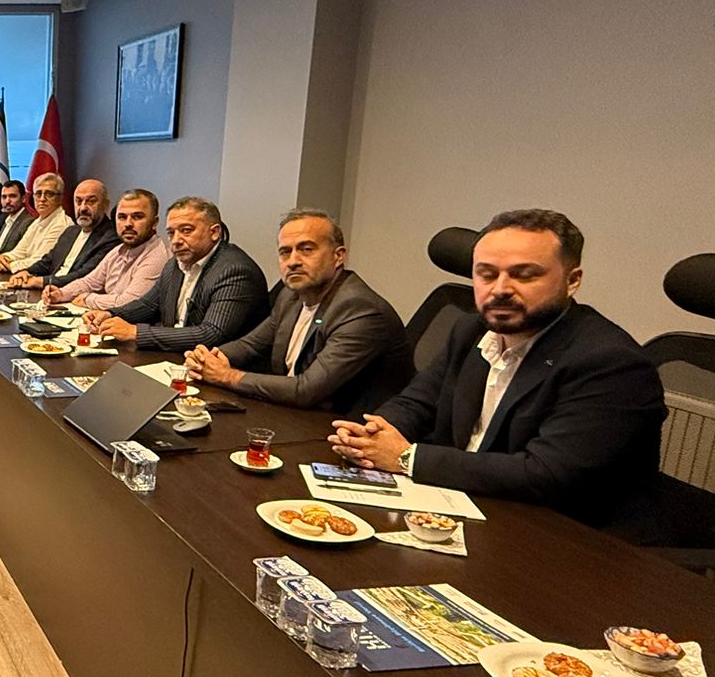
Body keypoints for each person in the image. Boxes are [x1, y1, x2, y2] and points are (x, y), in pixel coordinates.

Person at [329, 209, 667, 535]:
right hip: (467, 506)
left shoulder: (610, 362)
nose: (501, 289)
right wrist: (369, 437)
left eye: (524, 274)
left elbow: (546, 474)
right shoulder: (471, 330)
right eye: (487, 274)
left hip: (567, 537)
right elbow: (416, 402)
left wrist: (406, 458)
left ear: (572, 280)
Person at [184, 209, 409, 413]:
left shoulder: (360, 310)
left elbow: (306, 390)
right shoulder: (291, 296)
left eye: (306, 249)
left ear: (338, 256)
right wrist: (208, 358)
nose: (293, 261)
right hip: (296, 414)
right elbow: (251, 345)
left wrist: (226, 376)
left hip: (347, 427)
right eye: (285, 252)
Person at [87, 196, 267, 351]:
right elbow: (148, 305)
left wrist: (135, 332)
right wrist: (111, 314)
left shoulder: (234, 271)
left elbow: (211, 334)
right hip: (174, 357)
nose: (176, 241)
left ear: (214, 232)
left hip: (222, 367)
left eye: (186, 230)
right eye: (171, 233)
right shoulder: (175, 263)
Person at [45, 189, 170, 312]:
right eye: (122, 217)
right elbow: (89, 282)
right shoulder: (118, 250)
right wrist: (61, 293)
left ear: (154, 223)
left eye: (137, 217)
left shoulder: (156, 256)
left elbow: (129, 302)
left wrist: (87, 299)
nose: (128, 224)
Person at [8, 178, 116, 292]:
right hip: (49, 291)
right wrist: (27, 272)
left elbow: (85, 275)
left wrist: (41, 281)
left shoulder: (110, 237)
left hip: (71, 294)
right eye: (78, 201)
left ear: (106, 205)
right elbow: (48, 261)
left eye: (91, 201)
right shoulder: (71, 231)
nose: (83, 208)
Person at [0, 173, 74, 273]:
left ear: (60, 197)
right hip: (25, 274)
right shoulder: (37, 222)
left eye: (49, 194)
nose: (42, 199)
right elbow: (19, 252)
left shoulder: (62, 224)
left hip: (42, 278)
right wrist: (1, 258)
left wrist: (7, 265)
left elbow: (39, 261)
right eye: (38, 194)